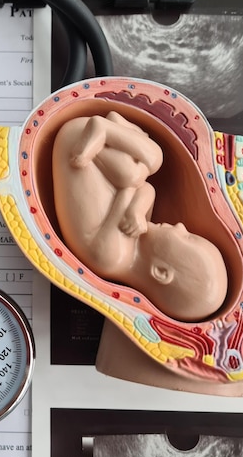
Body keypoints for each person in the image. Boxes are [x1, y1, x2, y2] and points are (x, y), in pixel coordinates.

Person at [52, 111, 228, 322]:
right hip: (89, 148)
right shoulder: (137, 233)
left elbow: (131, 191)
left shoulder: (111, 259)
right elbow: (148, 191)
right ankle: (111, 129)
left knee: (136, 172)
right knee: (145, 166)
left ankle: (108, 128)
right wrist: (136, 210)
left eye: (187, 238)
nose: (181, 226)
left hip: (75, 143)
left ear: (161, 272)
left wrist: (133, 200)